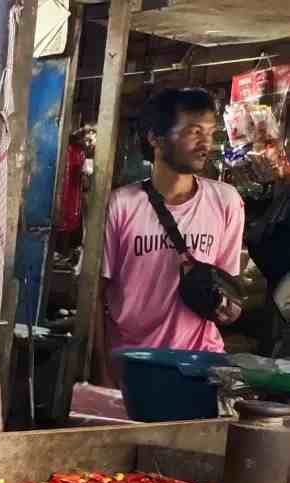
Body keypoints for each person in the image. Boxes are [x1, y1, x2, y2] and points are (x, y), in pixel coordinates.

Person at [93, 88, 245, 387]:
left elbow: (228, 287)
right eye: (193, 131)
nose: (206, 142)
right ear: (155, 138)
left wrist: (228, 309)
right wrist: (104, 371)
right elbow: (94, 296)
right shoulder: (120, 205)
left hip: (200, 364)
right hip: (134, 363)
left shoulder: (226, 201)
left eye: (210, 132)